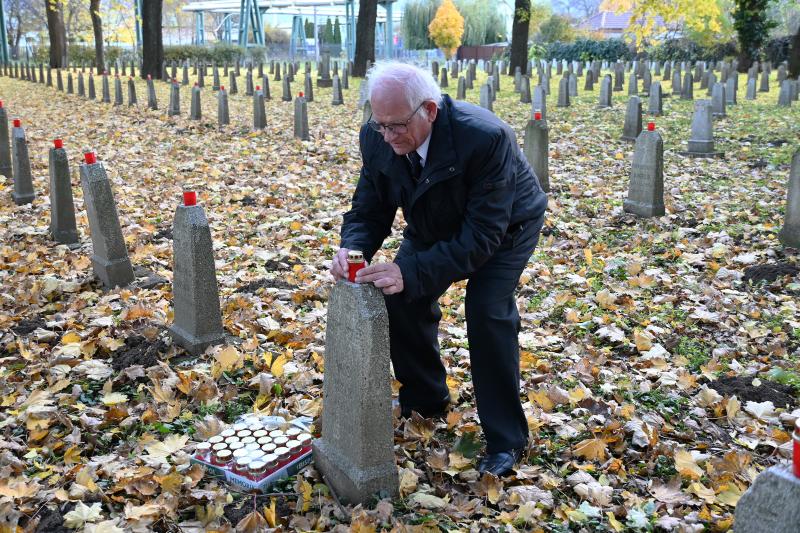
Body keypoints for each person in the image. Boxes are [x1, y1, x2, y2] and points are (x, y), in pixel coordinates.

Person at [330, 61, 548, 476]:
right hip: (432, 221)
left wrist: (410, 271)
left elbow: (481, 236)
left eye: (396, 126)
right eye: (380, 125)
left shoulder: (485, 137)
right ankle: (427, 399)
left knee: (486, 311)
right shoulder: (377, 138)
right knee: (400, 298)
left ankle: (506, 439)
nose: (388, 136)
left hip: (505, 229)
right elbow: (370, 208)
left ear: (430, 109)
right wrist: (352, 248)